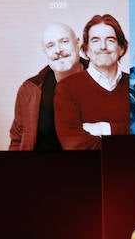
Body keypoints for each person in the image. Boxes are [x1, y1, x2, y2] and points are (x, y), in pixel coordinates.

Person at [55, 14, 132, 149]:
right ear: (86, 50)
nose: (103, 46)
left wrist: (105, 129)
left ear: (121, 48)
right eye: (95, 40)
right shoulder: (66, 89)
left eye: (110, 40)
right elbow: (75, 146)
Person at [7, 22, 85, 150]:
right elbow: (17, 138)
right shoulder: (30, 89)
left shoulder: (103, 80)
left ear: (77, 43)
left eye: (64, 41)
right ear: (45, 52)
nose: (58, 50)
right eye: (50, 45)